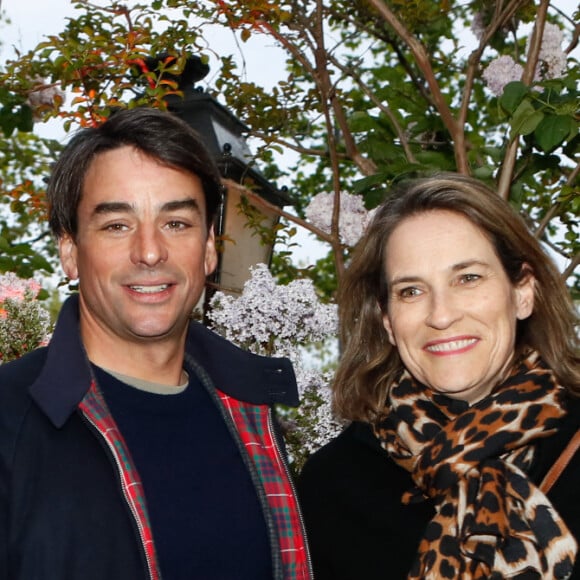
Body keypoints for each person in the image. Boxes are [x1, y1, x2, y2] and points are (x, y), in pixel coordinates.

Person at [0, 107, 311, 580]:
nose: (149, 251)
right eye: (117, 225)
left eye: (176, 223)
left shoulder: (253, 415)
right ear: (70, 251)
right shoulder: (8, 422)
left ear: (209, 248)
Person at [298, 173, 579, 580]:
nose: (441, 315)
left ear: (522, 292)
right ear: (388, 321)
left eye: (468, 278)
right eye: (411, 291)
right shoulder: (336, 483)